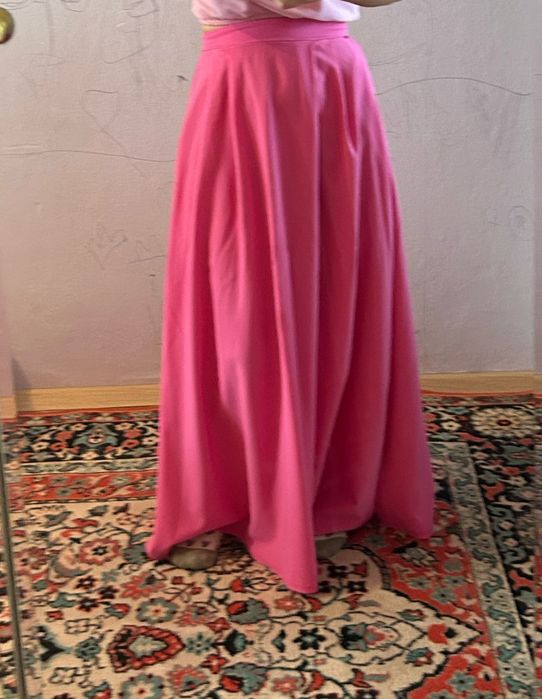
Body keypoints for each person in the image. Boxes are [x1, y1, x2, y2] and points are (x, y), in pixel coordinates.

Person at [144, 0, 435, 595]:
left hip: (330, 74)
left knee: (336, 285)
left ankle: (329, 486)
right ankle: (220, 491)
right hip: (244, 80)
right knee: (235, 294)